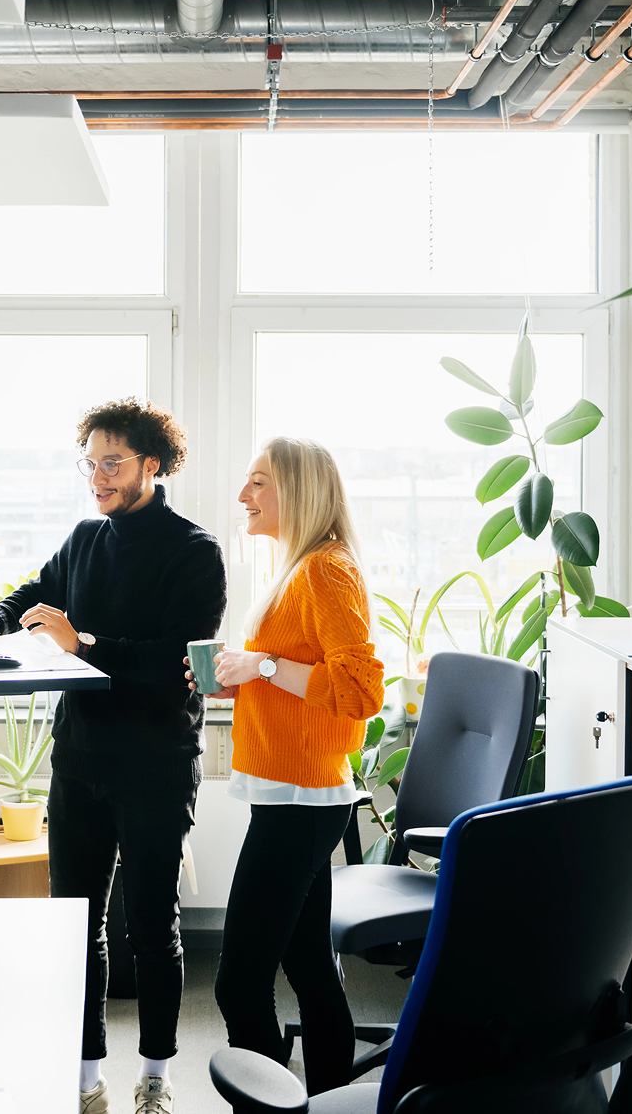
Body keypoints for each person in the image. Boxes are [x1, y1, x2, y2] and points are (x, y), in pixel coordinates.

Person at [0, 397, 227, 1114]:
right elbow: (37, 596)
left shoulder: (196, 552)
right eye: (90, 461)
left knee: (152, 927)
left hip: (155, 763)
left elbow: (172, 666)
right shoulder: (85, 538)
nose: (97, 476)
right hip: (82, 759)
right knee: (75, 923)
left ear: (152, 465)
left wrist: (84, 643)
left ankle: (156, 1079)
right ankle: (85, 1078)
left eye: (112, 462)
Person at [187, 436, 384, 1095]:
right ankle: (328, 1100)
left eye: (258, 483)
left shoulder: (327, 570)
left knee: (238, 983)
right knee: (308, 968)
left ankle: (271, 1107)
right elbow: (303, 673)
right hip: (293, 793)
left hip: (303, 801)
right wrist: (244, 678)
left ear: (297, 490)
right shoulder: (298, 567)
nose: (243, 496)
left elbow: (359, 693)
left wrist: (265, 665)